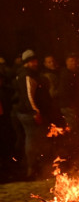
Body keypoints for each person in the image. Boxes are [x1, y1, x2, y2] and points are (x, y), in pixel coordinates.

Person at [15, 50, 52, 179]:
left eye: (35, 60)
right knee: (33, 140)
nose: (35, 63)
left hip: (31, 112)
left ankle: (38, 167)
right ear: (26, 63)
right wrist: (35, 112)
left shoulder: (31, 74)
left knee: (36, 139)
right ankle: (33, 168)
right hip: (30, 114)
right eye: (32, 61)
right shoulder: (26, 75)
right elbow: (28, 96)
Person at [58, 53, 79, 150]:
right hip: (68, 106)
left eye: (75, 61)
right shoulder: (65, 75)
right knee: (73, 128)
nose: (74, 63)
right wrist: (72, 105)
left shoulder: (76, 74)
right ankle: (74, 149)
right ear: (66, 63)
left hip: (74, 105)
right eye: (71, 61)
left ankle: (77, 146)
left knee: (77, 126)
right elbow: (65, 93)